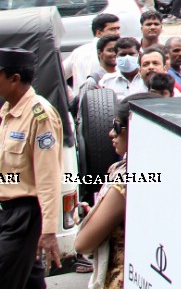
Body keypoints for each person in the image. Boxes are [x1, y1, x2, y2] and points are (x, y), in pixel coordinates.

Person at [74, 91, 157, 289]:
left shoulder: (126, 182)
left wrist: (88, 222)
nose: (111, 133)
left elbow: (83, 243)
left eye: (117, 127)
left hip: (127, 277)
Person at [0, 48, 64, 284]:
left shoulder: (40, 115)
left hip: (26, 215)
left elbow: (48, 178)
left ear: (14, 79)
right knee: (29, 281)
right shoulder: (8, 111)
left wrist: (48, 230)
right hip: (8, 212)